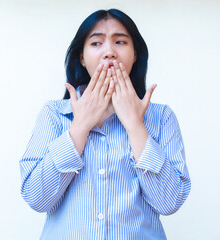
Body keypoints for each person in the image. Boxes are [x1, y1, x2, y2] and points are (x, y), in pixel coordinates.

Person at [19, 9, 191, 239]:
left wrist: (135, 125)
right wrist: (80, 127)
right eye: (96, 43)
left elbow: (169, 202)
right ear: (81, 56)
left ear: (135, 54)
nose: (109, 52)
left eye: (120, 42)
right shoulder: (54, 115)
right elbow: (36, 198)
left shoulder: (161, 118)